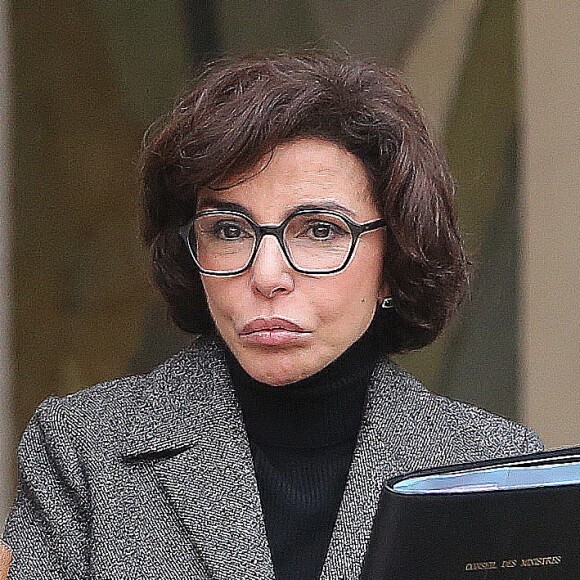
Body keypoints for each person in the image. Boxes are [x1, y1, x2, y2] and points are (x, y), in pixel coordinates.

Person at [3, 52, 543, 580]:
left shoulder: (496, 469)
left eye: (320, 230)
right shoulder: (84, 446)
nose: (267, 275)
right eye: (230, 230)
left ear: (396, 258)